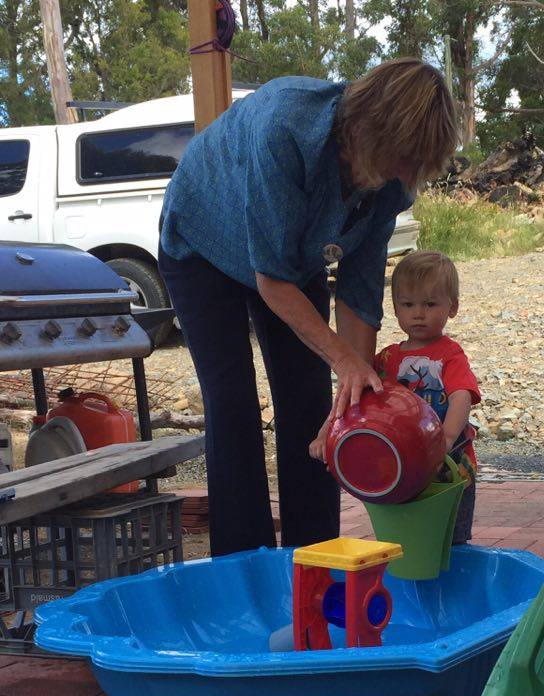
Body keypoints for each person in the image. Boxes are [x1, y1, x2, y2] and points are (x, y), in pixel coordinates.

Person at [158, 59, 457, 556]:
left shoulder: (392, 182)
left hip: (291, 257)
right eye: (398, 162)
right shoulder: (285, 126)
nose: (400, 181)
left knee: (316, 404)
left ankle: (317, 556)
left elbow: (359, 292)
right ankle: (244, 563)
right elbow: (271, 280)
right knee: (232, 402)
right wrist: (342, 358)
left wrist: (354, 379)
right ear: (368, 128)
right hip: (203, 243)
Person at [372, 251, 481, 542]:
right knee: (406, 535)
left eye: (430, 304)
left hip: (449, 464)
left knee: (448, 537)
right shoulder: (386, 358)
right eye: (408, 304)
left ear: (452, 307)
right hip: (405, 462)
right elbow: (363, 394)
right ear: (395, 308)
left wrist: (445, 437)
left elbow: (462, 396)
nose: (418, 313)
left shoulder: (449, 355)